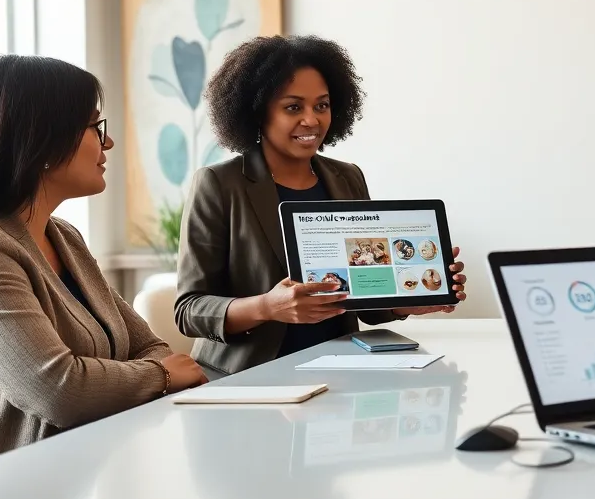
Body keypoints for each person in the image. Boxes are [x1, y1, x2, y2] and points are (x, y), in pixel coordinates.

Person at [0, 54, 207, 472]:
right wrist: (159, 376)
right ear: (40, 140)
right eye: (95, 127)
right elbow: (59, 391)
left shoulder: (64, 237)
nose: (107, 143)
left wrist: (147, 370)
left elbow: (148, 347)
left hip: (58, 482)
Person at [174, 35, 467, 376]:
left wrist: (412, 298)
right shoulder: (219, 184)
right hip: (248, 377)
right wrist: (268, 307)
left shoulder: (347, 177)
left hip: (339, 374)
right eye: (293, 107)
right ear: (257, 112)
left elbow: (365, 302)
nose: (312, 120)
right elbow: (189, 310)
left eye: (322, 105)